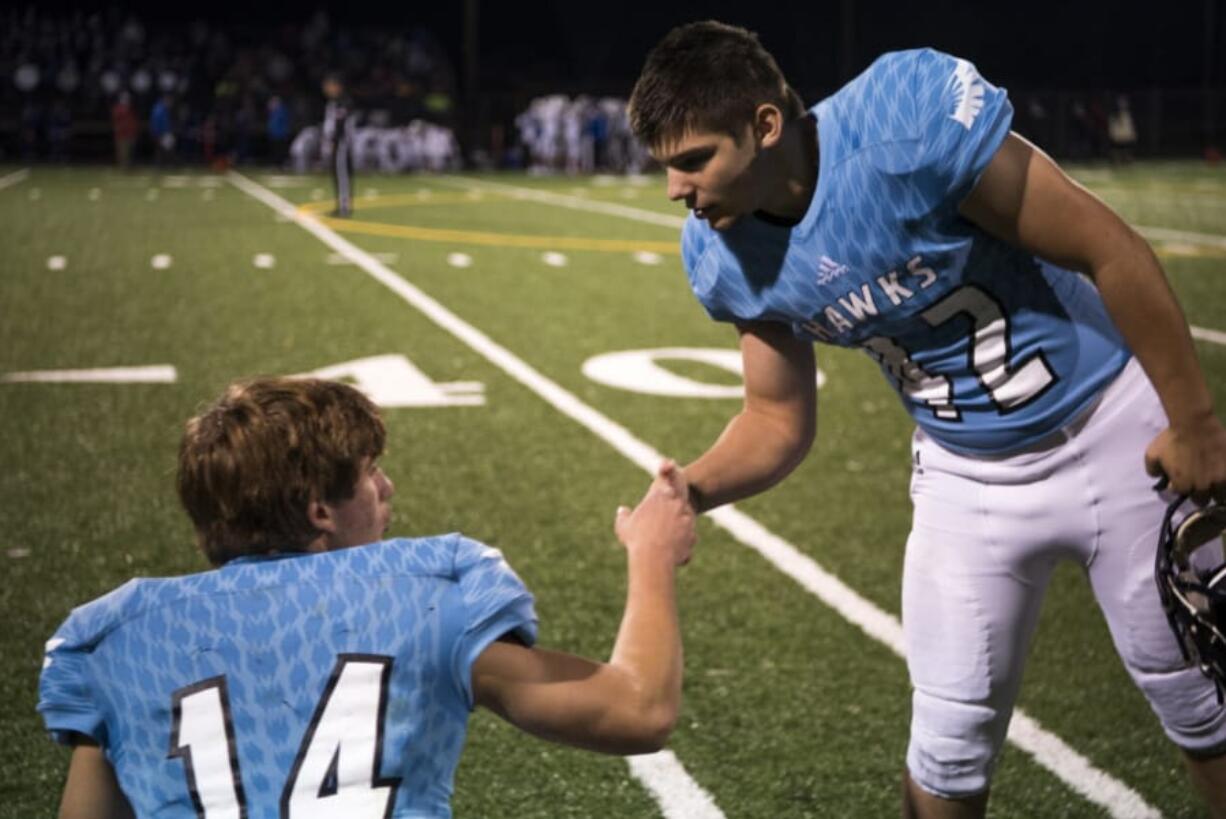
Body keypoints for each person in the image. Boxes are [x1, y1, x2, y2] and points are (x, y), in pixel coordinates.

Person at [628, 20, 1226, 819]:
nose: (677, 189)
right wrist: (687, 489)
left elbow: (1108, 248)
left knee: (1198, 703)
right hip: (966, 473)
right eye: (667, 166)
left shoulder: (900, 125)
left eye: (694, 159)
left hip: (1113, 425)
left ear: (764, 126)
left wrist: (1194, 420)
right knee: (946, 745)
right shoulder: (721, 254)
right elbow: (775, 417)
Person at [38, 377, 695, 818]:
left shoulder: (117, 641)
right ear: (320, 511)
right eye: (368, 472)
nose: (387, 487)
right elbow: (638, 709)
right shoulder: (425, 596)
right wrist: (652, 552)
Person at [322, 73, 355, 217]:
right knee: (337, 174)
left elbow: (341, 125)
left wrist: (335, 141)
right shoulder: (334, 102)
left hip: (341, 143)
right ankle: (341, 205)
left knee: (342, 175)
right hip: (335, 142)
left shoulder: (344, 102)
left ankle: (344, 207)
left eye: (329, 85)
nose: (327, 88)